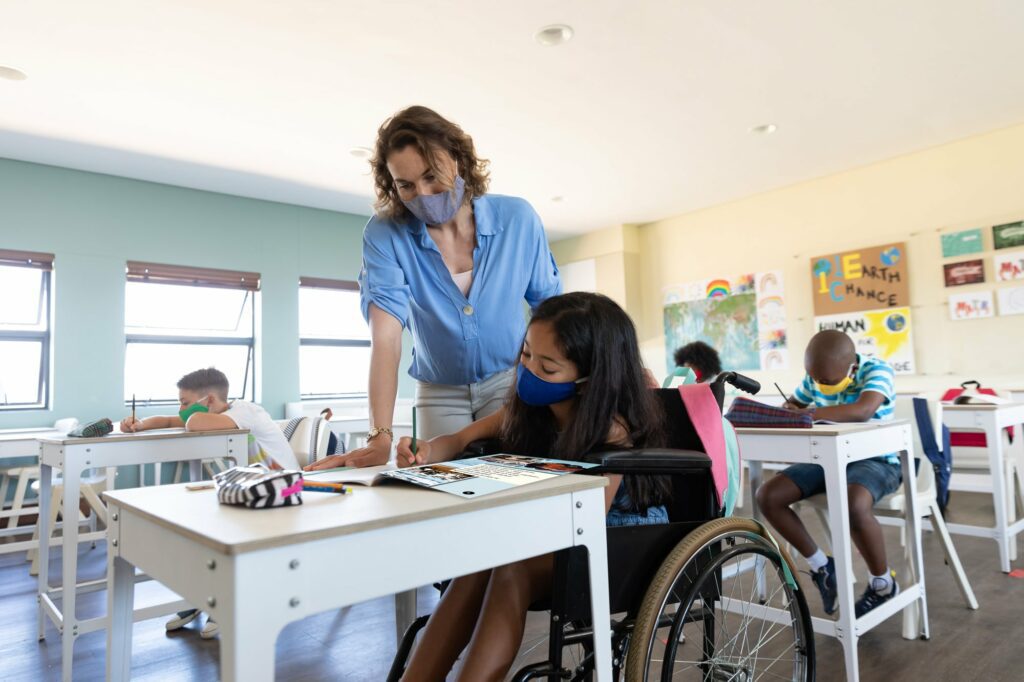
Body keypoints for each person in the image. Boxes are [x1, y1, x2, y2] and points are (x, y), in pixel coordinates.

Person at [395, 292, 670, 681]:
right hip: (555, 528)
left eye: (548, 366)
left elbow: (584, 521)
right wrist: (426, 450)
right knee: (478, 564)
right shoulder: (527, 411)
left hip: (617, 535)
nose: (529, 371)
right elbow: (455, 441)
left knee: (512, 569)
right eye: (526, 355)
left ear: (590, 377)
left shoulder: (612, 429)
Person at [304, 105, 561, 471]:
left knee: (510, 483)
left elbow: (552, 310)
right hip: (439, 391)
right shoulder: (384, 234)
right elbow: (387, 339)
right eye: (405, 185)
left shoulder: (517, 219)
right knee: (442, 489)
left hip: (510, 384)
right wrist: (380, 436)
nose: (423, 194)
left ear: (458, 160)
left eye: (431, 176)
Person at [120, 367, 300, 639]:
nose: (180, 408)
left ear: (210, 401)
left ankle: (223, 600)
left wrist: (191, 415)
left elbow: (192, 423)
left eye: (185, 402)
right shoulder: (218, 415)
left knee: (215, 521)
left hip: (286, 489)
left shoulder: (244, 411)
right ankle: (202, 596)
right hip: (254, 488)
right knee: (197, 518)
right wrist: (140, 424)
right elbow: (171, 421)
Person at [755, 330, 902, 617]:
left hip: (875, 460)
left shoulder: (877, 370)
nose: (820, 384)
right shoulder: (815, 379)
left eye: (827, 381)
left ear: (851, 367)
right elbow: (797, 403)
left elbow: (863, 410)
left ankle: (882, 583)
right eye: (815, 378)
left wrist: (806, 412)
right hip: (826, 459)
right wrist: (791, 407)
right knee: (768, 495)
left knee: (853, 503)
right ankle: (823, 567)